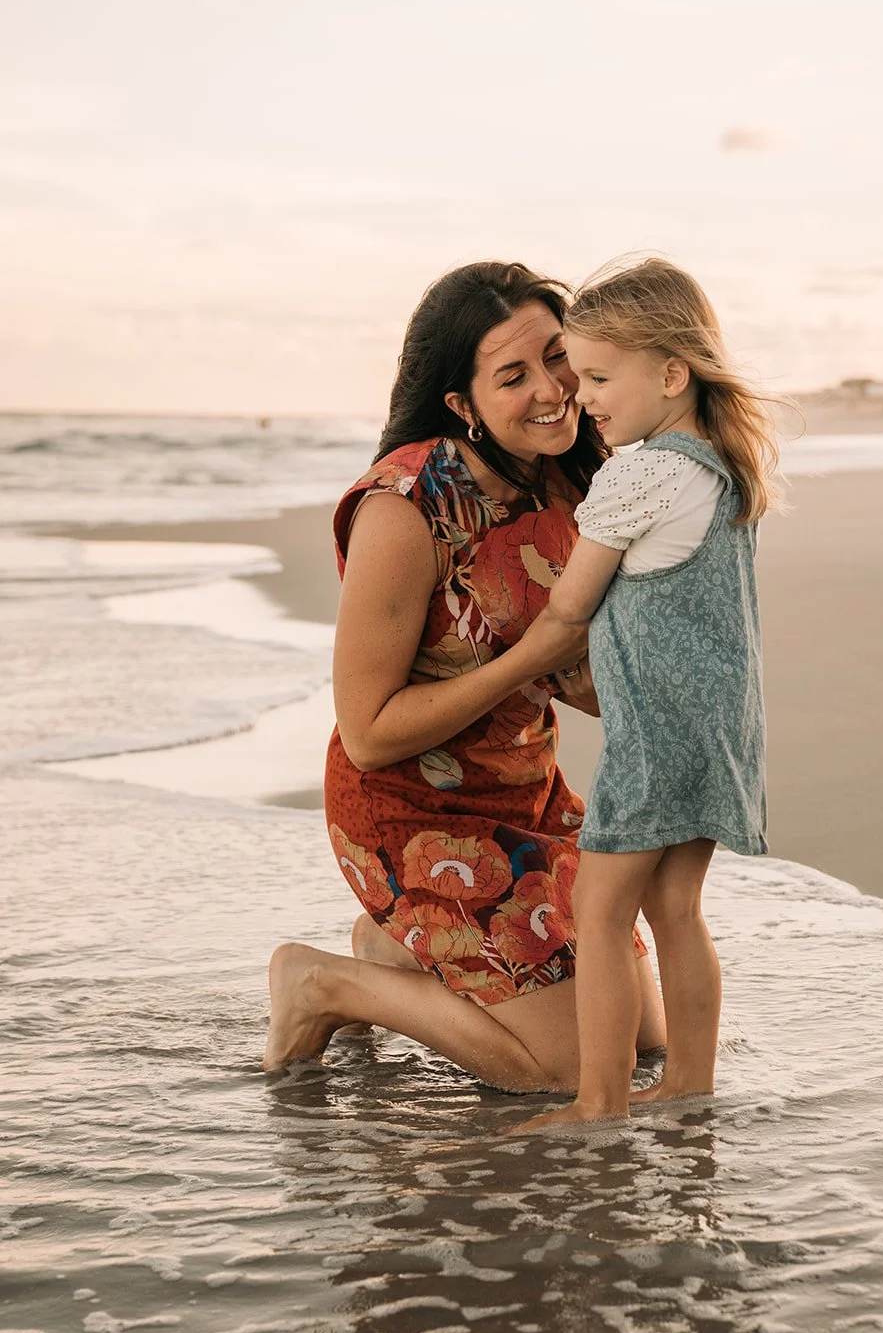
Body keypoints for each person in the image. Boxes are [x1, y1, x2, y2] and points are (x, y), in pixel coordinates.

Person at [263, 261, 666, 1089]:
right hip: (408, 810)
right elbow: (370, 734)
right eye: (512, 376)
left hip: (525, 794)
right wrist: (533, 656)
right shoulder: (405, 509)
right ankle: (325, 983)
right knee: (570, 1068)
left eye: (558, 357)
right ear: (463, 406)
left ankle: (391, 949)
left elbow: (579, 681)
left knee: (646, 1037)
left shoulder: (573, 480)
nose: (552, 388)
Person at [513, 257, 776, 1131]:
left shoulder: (636, 475)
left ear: (670, 374)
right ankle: (688, 1084)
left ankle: (599, 1101)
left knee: (598, 909)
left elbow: (572, 604)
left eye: (595, 375)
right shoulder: (721, 465)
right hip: (718, 727)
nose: (580, 396)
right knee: (676, 908)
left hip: (655, 734)